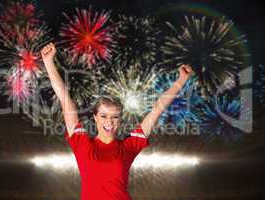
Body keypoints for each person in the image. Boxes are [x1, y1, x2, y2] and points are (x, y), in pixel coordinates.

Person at [41, 42, 193, 200]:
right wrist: (48, 62)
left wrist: (181, 81)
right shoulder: (82, 144)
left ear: (120, 119)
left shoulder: (128, 146)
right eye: (104, 116)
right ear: (95, 117)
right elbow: (65, 100)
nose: (109, 121)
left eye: (115, 116)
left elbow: (157, 110)